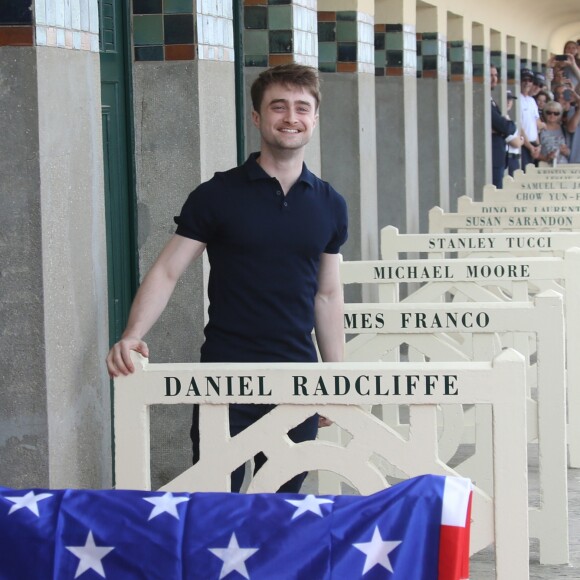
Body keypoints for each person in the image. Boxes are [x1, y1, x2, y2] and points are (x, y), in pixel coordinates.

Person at [106, 64, 349, 493]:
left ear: (314, 118)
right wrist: (131, 334)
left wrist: (335, 381)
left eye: (301, 108)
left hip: (296, 377)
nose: (290, 117)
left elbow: (327, 297)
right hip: (223, 377)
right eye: (278, 107)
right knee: (214, 503)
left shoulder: (330, 204)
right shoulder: (217, 195)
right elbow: (167, 270)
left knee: (283, 509)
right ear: (256, 117)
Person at [490, 64, 516, 188]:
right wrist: (508, 127)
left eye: (495, 75)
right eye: (490, 75)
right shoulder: (484, 100)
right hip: (492, 158)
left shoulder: (491, 100)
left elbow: (504, 127)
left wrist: (506, 127)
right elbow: (503, 126)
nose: (494, 78)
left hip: (499, 158)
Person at [519, 68, 541, 171]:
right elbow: (520, 127)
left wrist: (538, 145)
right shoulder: (517, 99)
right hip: (524, 146)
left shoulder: (532, 100)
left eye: (530, 80)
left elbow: (534, 125)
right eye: (524, 80)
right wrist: (530, 147)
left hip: (533, 146)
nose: (527, 83)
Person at [505, 90, 524, 176]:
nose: (509, 102)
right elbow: (516, 143)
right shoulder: (502, 117)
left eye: (510, 99)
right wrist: (521, 141)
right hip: (508, 158)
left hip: (514, 157)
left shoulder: (508, 116)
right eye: (506, 99)